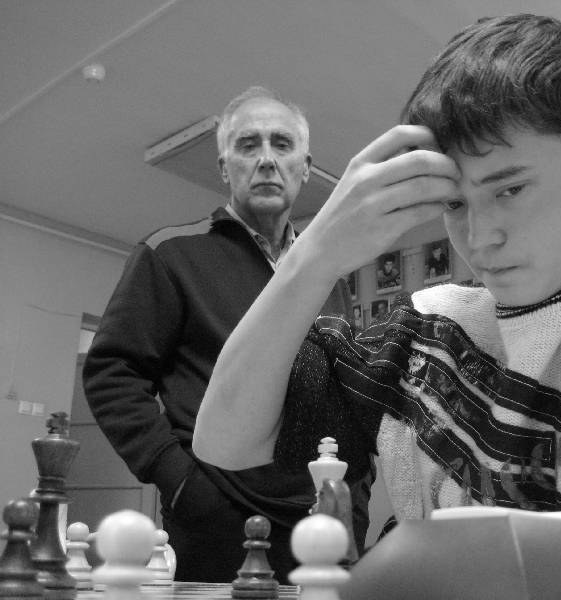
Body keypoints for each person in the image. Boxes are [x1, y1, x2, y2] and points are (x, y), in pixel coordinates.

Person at [193, 15, 561, 527]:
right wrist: (312, 256)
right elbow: (226, 442)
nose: (479, 236)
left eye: (510, 189)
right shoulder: (426, 330)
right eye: (455, 203)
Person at [82, 86, 374, 583]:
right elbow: (112, 374)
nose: (266, 160)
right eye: (248, 145)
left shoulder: (329, 278)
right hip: (216, 520)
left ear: (305, 168)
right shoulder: (171, 253)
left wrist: (357, 493)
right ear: (224, 168)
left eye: (282, 144)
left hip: (324, 522)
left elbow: (345, 399)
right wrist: (181, 484)